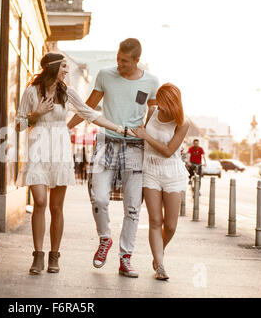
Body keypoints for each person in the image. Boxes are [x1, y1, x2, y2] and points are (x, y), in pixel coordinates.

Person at [15, 52, 127, 275]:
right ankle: (37, 255)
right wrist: (35, 114)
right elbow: (19, 124)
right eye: (64, 66)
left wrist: (118, 128)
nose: (67, 70)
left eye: (67, 66)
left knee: (56, 207)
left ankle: (54, 255)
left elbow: (90, 114)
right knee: (39, 201)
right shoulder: (31, 92)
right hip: (38, 151)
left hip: (60, 152)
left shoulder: (67, 94)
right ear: (52, 67)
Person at [67, 38, 160, 278]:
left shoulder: (151, 81)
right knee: (98, 198)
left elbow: (154, 111)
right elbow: (89, 107)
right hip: (106, 143)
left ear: (137, 60)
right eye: (118, 59)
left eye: (125, 62)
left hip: (136, 148)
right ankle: (105, 238)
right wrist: (65, 128)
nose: (120, 65)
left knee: (132, 208)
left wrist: (151, 135)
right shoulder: (105, 75)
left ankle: (125, 259)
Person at [131, 83, 190, 280]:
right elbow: (140, 134)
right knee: (155, 221)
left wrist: (145, 136)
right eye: (160, 100)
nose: (160, 105)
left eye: (165, 102)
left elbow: (167, 151)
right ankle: (160, 265)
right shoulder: (152, 112)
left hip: (172, 172)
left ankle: (159, 252)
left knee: (171, 225)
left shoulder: (183, 123)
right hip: (151, 170)